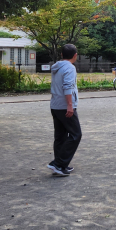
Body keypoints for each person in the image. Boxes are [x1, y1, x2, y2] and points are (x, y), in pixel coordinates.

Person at [48, 44, 82, 177]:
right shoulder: (70, 68)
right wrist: (70, 105)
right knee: (75, 134)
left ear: (61, 55)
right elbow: (67, 87)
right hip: (64, 106)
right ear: (75, 56)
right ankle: (58, 163)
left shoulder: (57, 67)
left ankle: (60, 165)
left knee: (60, 136)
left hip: (55, 105)